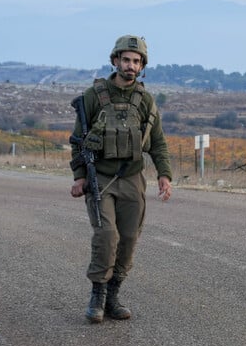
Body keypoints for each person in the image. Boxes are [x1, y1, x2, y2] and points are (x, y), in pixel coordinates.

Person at [70, 35, 173, 323]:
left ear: (142, 66)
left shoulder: (145, 100)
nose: (130, 65)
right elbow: (78, 140)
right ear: (115, 60)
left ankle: (114, 294)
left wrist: (164, 175)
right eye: (126, 59)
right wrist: (79, 177)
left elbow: (158, 142)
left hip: (132, 178)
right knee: (106, 235)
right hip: (100, 177)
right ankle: (97, 295)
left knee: (128, 238)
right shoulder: (94, 96)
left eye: (136, 61)